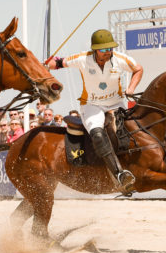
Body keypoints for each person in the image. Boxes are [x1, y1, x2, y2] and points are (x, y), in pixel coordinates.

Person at [46, 29, 143, 193]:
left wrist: (132, 87)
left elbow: (138, 69)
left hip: (116, 102)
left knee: (129, 130)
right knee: (97, 133)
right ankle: (119, 175)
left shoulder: (120, 59)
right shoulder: (83, 58)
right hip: (92, 104)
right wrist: (48, 63)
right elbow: (59, 62)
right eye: (104, 49)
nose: (108, 52)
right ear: (95, 50)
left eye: (110, 48)